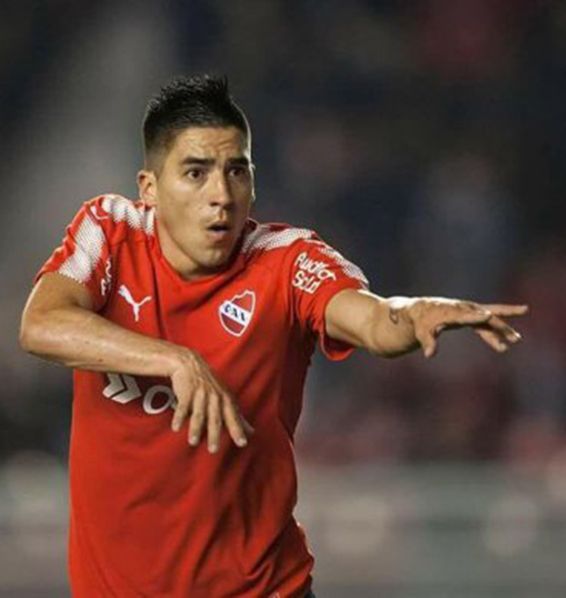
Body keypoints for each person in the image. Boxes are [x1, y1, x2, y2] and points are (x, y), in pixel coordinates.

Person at [19, 75, 527, 598]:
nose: (221, 195)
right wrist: (174, 360)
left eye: (236, 171)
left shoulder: (286, 260)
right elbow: (41, 324)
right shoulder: (110, 230)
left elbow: (373, 319)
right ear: (150, 188)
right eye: (196, 173)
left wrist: (413, 313)